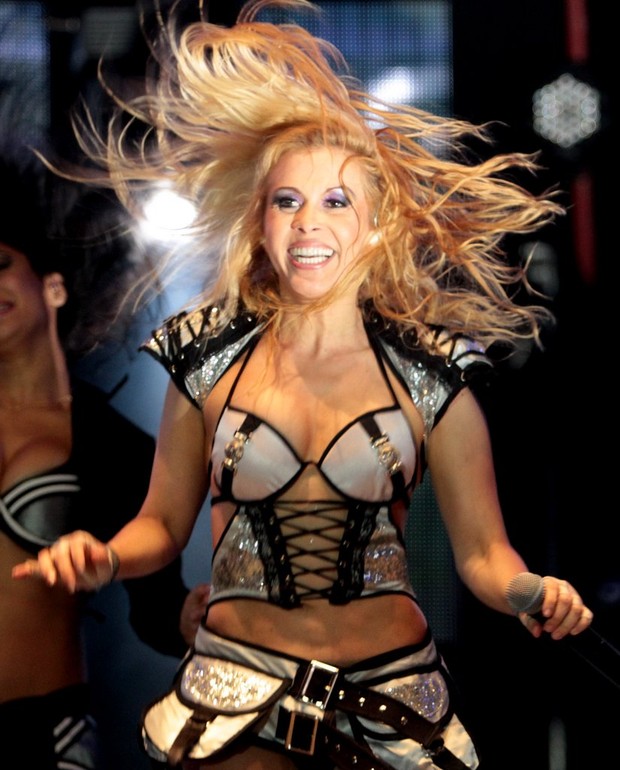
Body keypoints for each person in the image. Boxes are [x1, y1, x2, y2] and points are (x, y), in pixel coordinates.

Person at [13, 1, 594, 768]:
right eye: (287, 201)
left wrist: (532, 592)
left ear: (376, 224)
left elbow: (486, 556)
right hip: (236, 683)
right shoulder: (206, 361)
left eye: (335, 202)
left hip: (390, 694)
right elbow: (160, 524)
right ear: (260, 222)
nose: (307, 224)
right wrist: (107, 556)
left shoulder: (431, 374)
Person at [0, 145, 206, 770]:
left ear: (53, 285)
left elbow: (155, 606)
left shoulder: (108, 441)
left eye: (1, 266)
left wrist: (189, 620)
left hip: (43, 730)